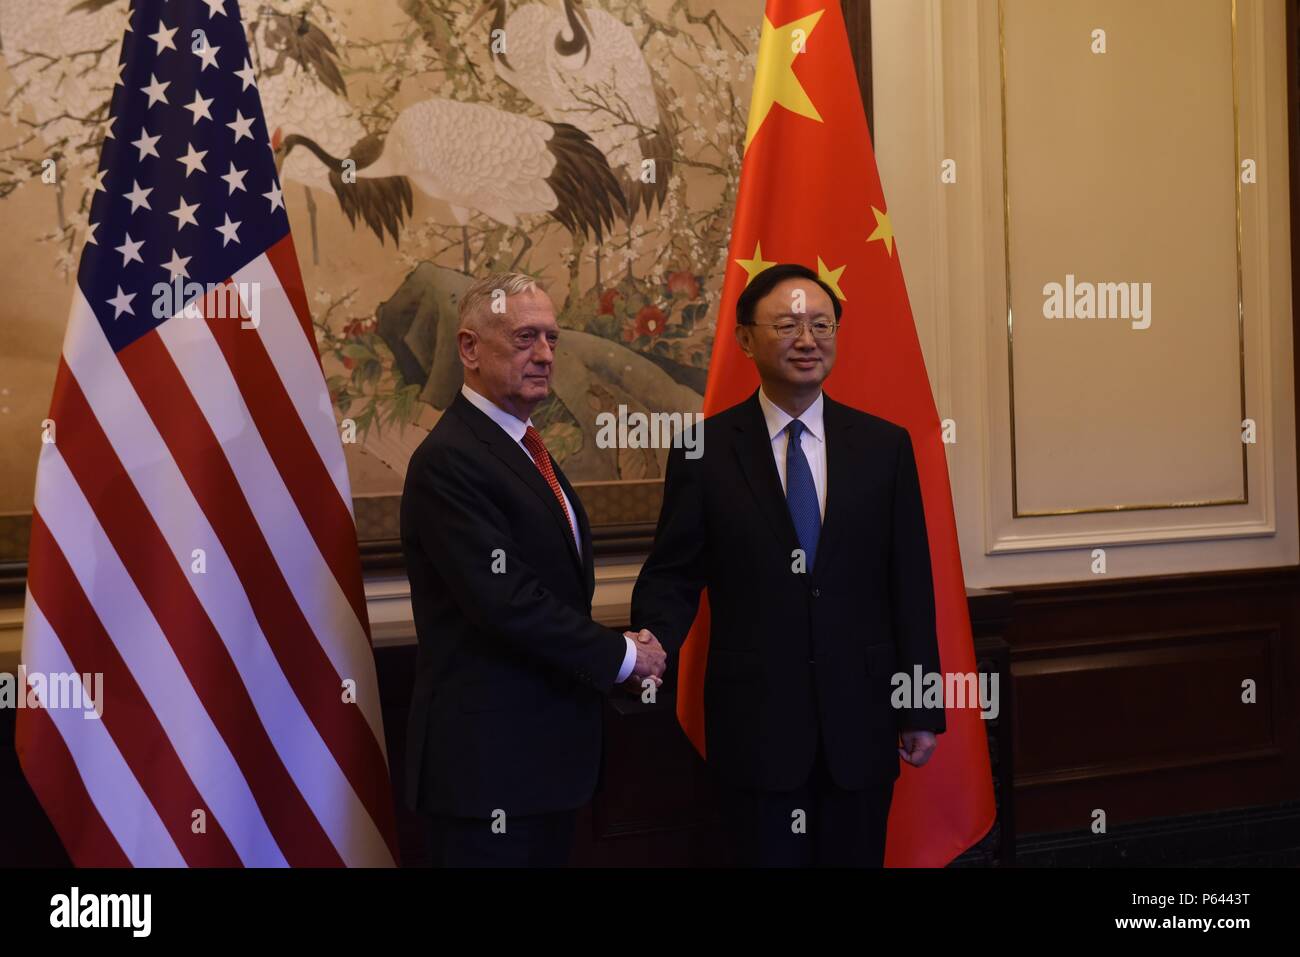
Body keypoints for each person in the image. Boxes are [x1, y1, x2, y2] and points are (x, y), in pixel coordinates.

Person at [631, 262, 944, 867]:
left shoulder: (884, 446)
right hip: (757, 729)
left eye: (821, 324)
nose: (807, 340)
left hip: (863, 725)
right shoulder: (704, 450)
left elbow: (910, 586)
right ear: (746, 338)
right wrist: (648, 642)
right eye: (787, 325)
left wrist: (921, 706)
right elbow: (674, 571)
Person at [402, 272, 666, 866]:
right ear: (469, 348)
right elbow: (506, 601)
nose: (545, 355)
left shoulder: (522, 446)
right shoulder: (451, 459)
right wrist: (624, 657)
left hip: (542, 767)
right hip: (487, 774)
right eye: (525, 338)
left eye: (551, 338)